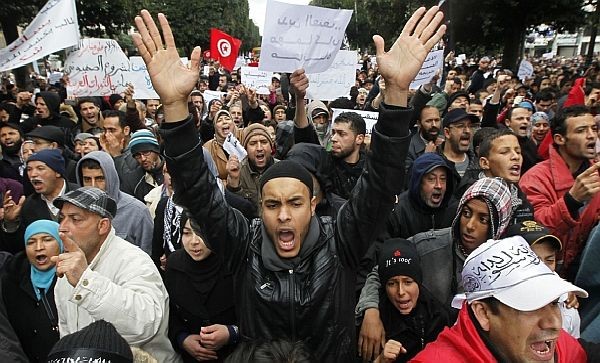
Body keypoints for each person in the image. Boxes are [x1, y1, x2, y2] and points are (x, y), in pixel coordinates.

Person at [131, 5, 445, 361]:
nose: (283, 215)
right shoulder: (241, 243)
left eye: (295, 203)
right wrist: (174, 105)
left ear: (313, 204)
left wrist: (396, 93)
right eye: (272, 204)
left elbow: (381, 182)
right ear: (259, 207)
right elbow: (196, 191)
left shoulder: (340, 240)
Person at [355, 177, 515, 361]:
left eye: (483, 219)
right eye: (466, 213)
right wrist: (370, 311)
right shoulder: (427, 245)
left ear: (498, 226)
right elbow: (381, 272)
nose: (470, 226)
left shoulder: (505, 266)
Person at [411, 236, 590, 362]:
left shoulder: (561, 346)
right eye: (530, 306)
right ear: (483, 314)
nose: (554, 323)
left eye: (553, 302)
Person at [52, 187, 180, 362]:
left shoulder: (134, 261)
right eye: (62, 219)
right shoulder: (67, 271)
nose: (62, 228)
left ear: (102, 226)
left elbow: (145, 325)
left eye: (75, 219)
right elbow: (68, 334)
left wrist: (85, 282)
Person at [520, 105, 600, 277]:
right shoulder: (535, 179)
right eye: (581, 130)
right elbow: (535, 234)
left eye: (594, 128)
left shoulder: (597, 175)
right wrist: (572, 200)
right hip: (543, 276)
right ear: (559, 139)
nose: (592, 135)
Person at [362, 238, 450, 363]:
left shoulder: (438, 315)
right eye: (392, 283)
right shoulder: (371, 324)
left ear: (418, 282)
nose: (401, 291)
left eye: (408, 282)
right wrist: (380, 361)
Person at [165, 214, 238, 362]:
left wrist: (232, 333)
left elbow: (258, 317)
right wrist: (182, 339)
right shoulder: (174, 264)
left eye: (202, 233)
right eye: (187, 233)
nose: (194, 241)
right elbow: (169, 311)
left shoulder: (236, 263)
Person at [504, 220, 581, 338]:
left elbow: (572, 353)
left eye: (550, 260)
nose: (543, 268)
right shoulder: (489, 304)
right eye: (533, 260)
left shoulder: (567, 307)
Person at [1, 220, 63, 362]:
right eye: (31, 242)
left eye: (47, 240)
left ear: (61, 244)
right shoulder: (11, 279)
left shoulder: (73, 278)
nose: (39, 247)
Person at [76, 151, 154, 254]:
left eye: (100, 179)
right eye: (87, 179)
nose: (93, 186)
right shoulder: (74, 211)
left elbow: (147, 257)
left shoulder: (136, 212)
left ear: (111, 178)